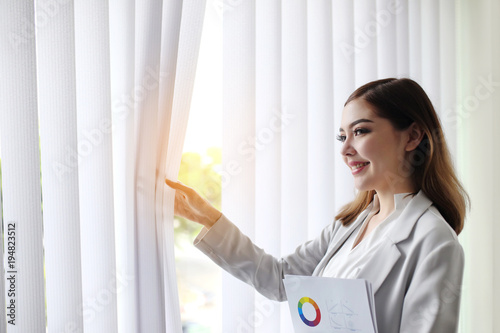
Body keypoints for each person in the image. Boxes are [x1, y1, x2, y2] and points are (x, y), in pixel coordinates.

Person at [166, 78, 469, 332]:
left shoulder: (434, 241)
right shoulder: (350, 225)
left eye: (361, 131)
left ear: (413, 136)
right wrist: (206, 216)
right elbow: (280, 279)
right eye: (342, 136)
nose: (346, 149)